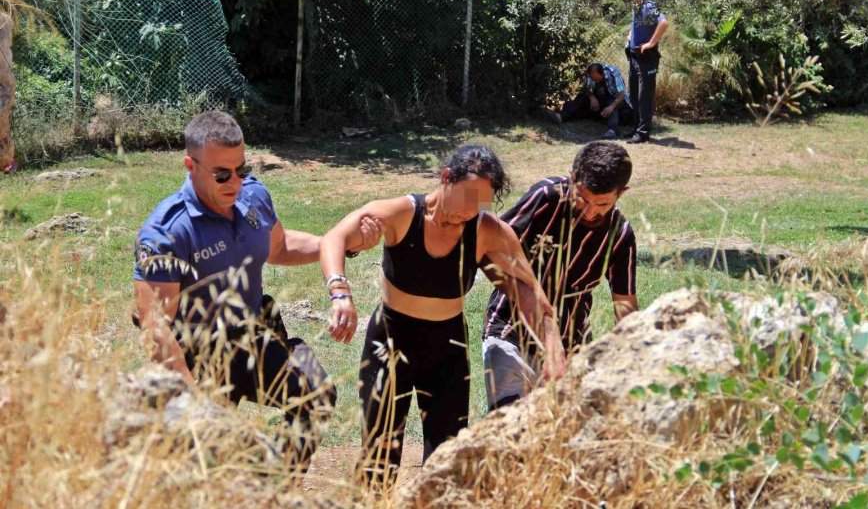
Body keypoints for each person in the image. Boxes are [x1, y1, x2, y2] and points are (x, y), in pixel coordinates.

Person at [132, 110, 383, 471]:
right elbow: (157, 330)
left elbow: (279, 247)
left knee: (316, 393)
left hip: (251, 339)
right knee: (202, 468)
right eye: (221, 174)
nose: (235, 182)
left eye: (242, 169)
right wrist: (196, 405)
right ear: (190, 165)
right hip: (196, 356)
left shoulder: (252, 198)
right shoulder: (167, 232)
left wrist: (340, 245)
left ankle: (276, 489)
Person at [318, 144, 567, 489]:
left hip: (446, 350)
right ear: (446, 178)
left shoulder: (486, 230)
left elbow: (527, 290)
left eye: (479, 203)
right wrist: (340, 293)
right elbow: (335, 237)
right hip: (389, 343)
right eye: (466, 198)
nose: (469, 212)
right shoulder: (403, 213)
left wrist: (553, 350)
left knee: (447, 461)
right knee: (379, 456)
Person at [482, 141, 638, 411]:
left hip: (571, 349)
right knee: (512, 430)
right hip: (510, 332)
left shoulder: (620, 235)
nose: (589, 211)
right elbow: (492, 245)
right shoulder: (545, 197)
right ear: (572, 177)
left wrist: (633, 359)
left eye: (602, 203)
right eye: (583, 198)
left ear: (621, 193)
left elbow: (625, 307)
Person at [624, 0, 669, 143]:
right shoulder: (635, 8)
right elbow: (638, 26)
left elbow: (664, 23)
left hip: (647, 58)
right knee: (634, 95)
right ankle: (636, 129)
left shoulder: (649, 6)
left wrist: (651, 43)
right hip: (634, 57)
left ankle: (643, 133)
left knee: (645, 96)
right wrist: (630, 35)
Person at [552, 62, 633, 139]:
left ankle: (612, 130)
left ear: (602, 74)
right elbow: (586, 88)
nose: (594, 81)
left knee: (612, 104)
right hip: (600, 99)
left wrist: (611, 107)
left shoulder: (613, 72)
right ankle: (561, 117)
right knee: (582, 97)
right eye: (592, 79)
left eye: (596, 79)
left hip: (617, 100)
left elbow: (621, 94)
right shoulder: (590, 73)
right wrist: (592, 97)